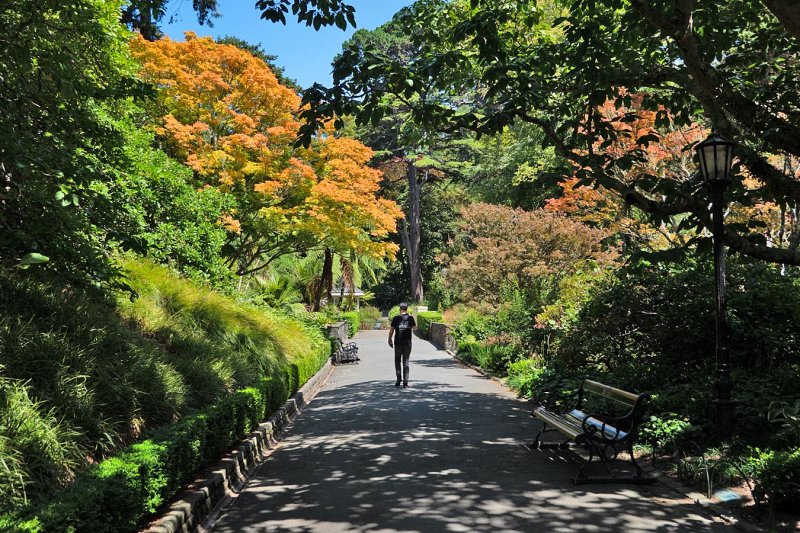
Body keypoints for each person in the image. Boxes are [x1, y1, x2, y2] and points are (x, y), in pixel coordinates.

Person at [388, 302, 416, 387]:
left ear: (400, 309)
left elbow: (391, 330)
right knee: (406, 362)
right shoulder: (410, 318)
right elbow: (415, 328)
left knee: (397, 361)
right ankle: (405, 382)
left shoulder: (396, 318)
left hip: (398, 343)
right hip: (407, 343)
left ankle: (398, 378)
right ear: (406, 309)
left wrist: (389, 339)